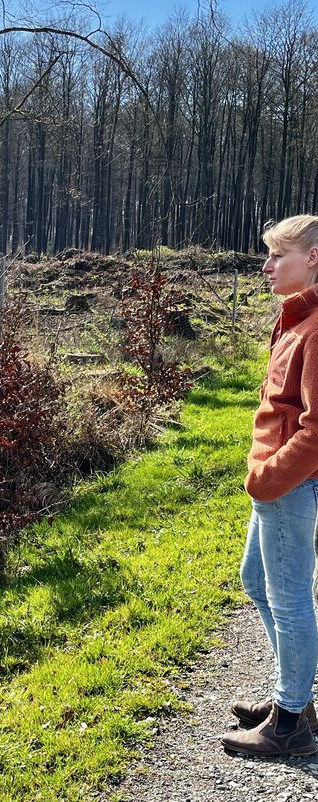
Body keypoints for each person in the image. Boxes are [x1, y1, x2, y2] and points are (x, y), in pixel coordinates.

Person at [220, 215, 318, 757]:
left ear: (314, 259)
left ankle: (290, 724)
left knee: (289, 598)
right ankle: (296, 698)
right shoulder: (299, 319)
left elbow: (316, 430)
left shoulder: (317, 329)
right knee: (257, 582)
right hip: (276, 485)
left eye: (279, 255)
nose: (267, 265)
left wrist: (268, 478)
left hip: (287, 486)